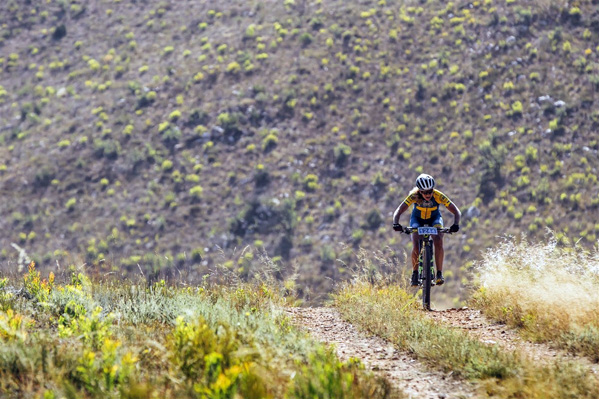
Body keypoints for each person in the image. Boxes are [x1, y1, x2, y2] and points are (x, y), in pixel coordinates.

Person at [392, 173, 461, 286]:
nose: (428, 194)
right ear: (419, 191)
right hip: (417, 219)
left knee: (438, 240)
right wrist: (396, 223)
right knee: (415, 245)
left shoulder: (438, 195)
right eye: (425, 192)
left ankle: (439, 273)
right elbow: (399, 210)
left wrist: (456, 224)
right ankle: (415, 274)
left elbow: (456, 211)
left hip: (434, 218)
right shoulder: (413, 196)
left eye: (430, 191)